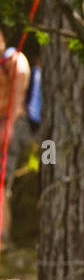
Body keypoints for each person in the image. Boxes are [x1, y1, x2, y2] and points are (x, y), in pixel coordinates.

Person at [0, 30, 32, 239]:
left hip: (16, 124)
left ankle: (2, 234)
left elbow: (17, 103)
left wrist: (8, 129)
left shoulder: (15, 60)